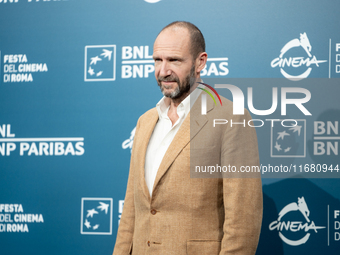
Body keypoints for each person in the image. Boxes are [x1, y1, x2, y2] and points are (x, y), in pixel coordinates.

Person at [113, 21, 262, 255]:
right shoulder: (145, 121)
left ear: (200, 62)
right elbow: (132, 212)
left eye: (174, 60)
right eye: (157, 60)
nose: (163, 71)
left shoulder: (231, 118)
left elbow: (243, 222)